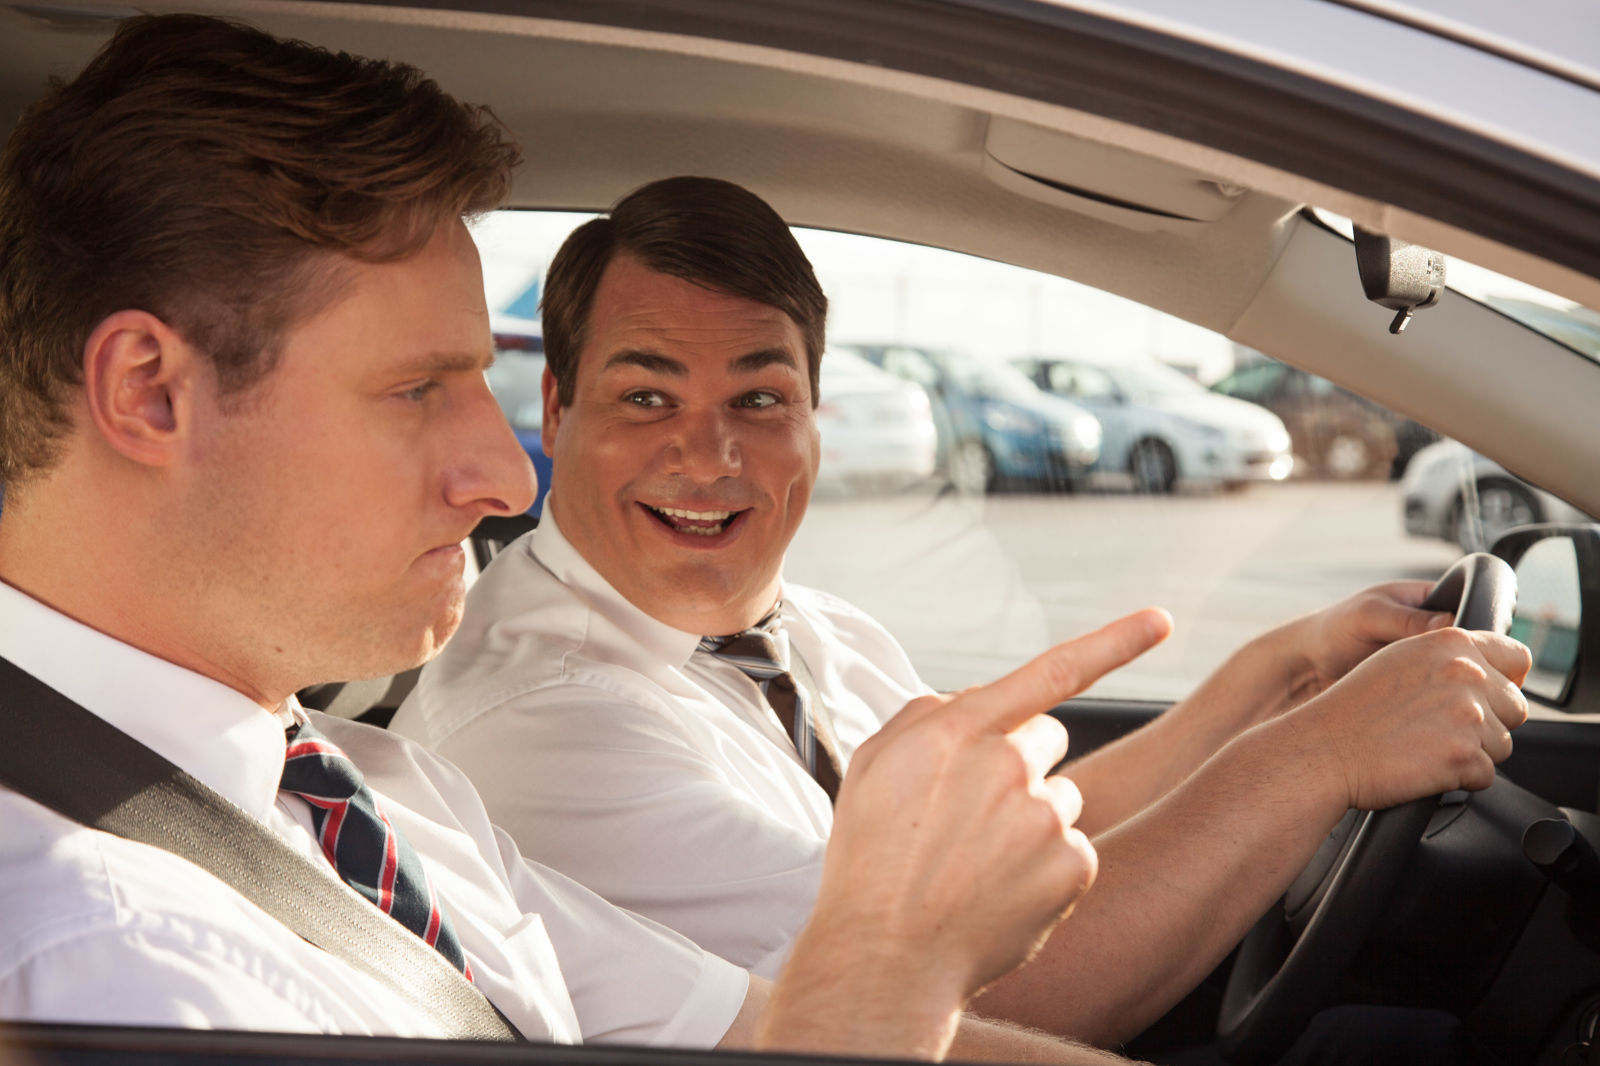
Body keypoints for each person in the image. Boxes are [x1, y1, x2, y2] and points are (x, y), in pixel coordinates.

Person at [0, 18, 1153, 1063]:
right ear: (151, 393)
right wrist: (894, 966)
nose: (508, 479)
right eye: (416, 389)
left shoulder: (375, 791)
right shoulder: (102, 952)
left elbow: (751, 1027)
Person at [391, 175, 1533, 1049]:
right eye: (648, 396)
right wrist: (1321, 754)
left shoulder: (810, 632)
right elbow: (979, 992)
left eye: (760, 397)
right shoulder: (548, 722)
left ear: (814, 416)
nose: (711, 454)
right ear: (558, 407)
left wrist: (1279, 677)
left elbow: (1019, 856)